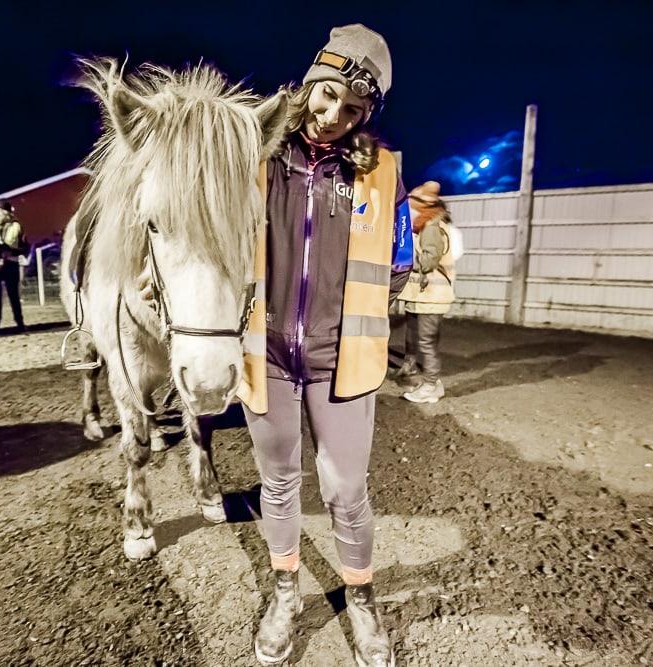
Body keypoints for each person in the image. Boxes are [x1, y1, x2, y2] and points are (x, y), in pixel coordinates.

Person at [237, 24, 412, 666]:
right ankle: (285, 593)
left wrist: (351, 320)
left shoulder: (382, 171)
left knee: (345, 491)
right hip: (267, 355)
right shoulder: (255, 154)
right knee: (278, 482)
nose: (334, 116)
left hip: (344, 361)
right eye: (328, 95)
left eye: (354, 109)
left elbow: (398, 262)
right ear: (310, 82)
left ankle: (359, 599)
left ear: (367, 116)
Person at [397, 181, 462, 403]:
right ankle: (432, 383)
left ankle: (431, 386)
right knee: (424, 340)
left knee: (426, 343)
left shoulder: (432, 227)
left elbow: (427, 263)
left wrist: (404, 256)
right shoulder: (427, 224)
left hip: (432, 296)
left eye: (413, 205)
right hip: (425, 295)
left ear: (423, 207)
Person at [0, 199, 30, 334]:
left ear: (4, 212)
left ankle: (20, 323)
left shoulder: (16, 225)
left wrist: (12, 252)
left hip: (11, 263)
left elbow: (25, 246)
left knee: (14, 295)